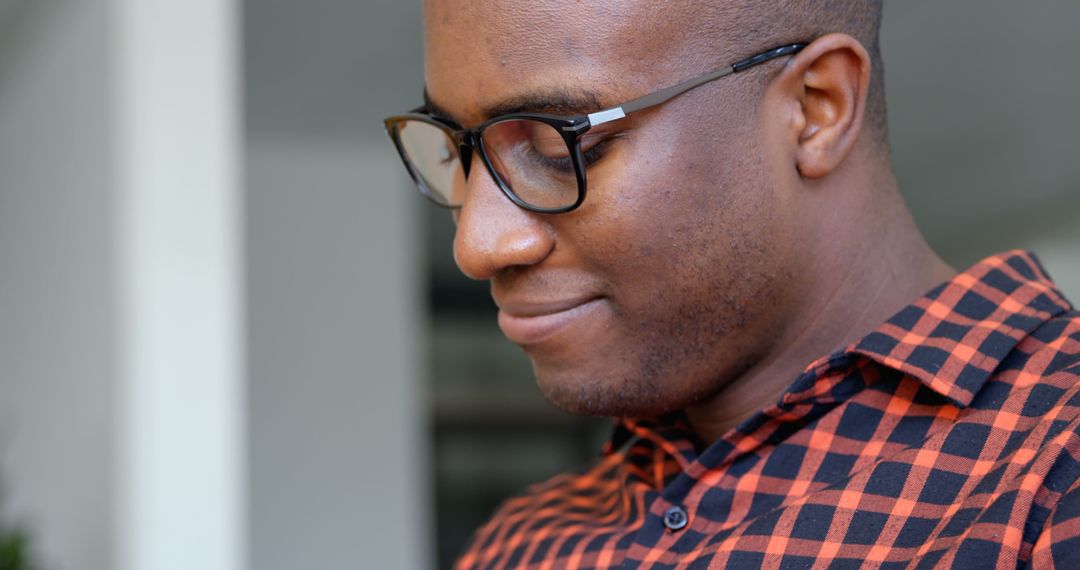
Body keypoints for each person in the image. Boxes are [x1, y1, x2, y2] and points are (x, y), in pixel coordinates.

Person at [384, 1, 1080, 567]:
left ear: (816, 107)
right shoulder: (520, 545)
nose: (475, 244)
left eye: (557, 148)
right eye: (457, 149)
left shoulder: (1053, 469)